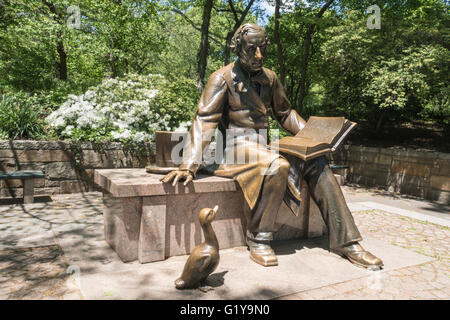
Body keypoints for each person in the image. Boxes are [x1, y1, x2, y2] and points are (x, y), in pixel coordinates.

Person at [161, 23, 383, 270]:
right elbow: (204, 120)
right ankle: (259, 238)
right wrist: (188, 164)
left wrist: (314, 136)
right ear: (237, 48)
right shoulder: (221, 78)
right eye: (251, 49)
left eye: (262, 49)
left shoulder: (270, 77)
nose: (258, 55)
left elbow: (285, 113)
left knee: (317, 161)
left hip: (261, 146)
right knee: (277, 166)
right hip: (233, 148)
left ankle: (347, 242)